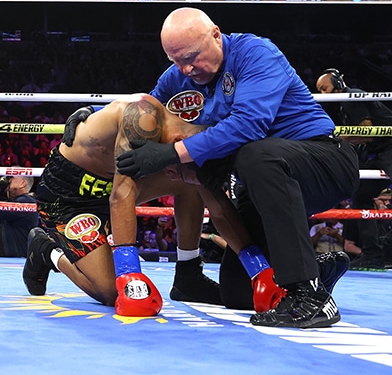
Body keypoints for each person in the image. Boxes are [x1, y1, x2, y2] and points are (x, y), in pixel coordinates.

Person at [115, 7, 358, 328]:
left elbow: (249, 125)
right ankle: (320, 267)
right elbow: (144, 108)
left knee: (254, 154)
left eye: (192, 56)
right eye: (176, 60)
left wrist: (173, 154)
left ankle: (310, 296)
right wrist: (95, 115)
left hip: (323, 161)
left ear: (216, 35)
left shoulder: (255, 53)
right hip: (263, 183)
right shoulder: (179, 77)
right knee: (238, 289)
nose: (187, 68)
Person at [25, 94, 286, 318]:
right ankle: (47, 251)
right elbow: (121, 193)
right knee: (110, 292)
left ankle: (188, 274)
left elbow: (217, 206)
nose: (172, 175)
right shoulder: (142, 122)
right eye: (179, 168)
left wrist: (259, 270)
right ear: (176, 142)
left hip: (111, 185)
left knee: (191, 183)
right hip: (69, 196)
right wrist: (130, 275)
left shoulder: (199, 142)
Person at [316, 68, 391, 270]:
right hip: (378, 149)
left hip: (388, 145)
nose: (323, 95)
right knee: (361, 195)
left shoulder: (351, 98)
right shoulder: (344, 105)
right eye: (319, 91)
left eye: (325, 88)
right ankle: (372, 253)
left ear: (338, 84)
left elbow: (365, 130)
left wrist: (334, 140)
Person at [0, 174, 38, 258]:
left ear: (22, 183)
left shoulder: (27, 201)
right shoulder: (13, 201)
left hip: (16, 259)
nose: (8, 180)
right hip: (2, 258)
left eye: (11, 177)